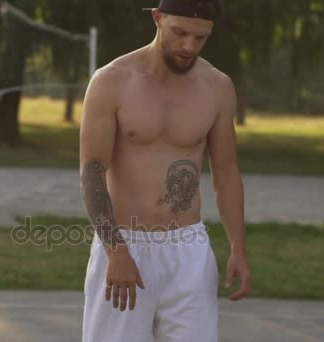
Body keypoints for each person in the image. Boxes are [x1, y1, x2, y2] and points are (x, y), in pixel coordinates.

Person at [79, 0, 250, 341]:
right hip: (125, 242)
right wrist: (116, 251)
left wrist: (238, 248)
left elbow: (226, 171)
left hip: (188, 248)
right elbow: (91, 173)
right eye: (180, 33)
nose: (189, 46)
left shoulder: (216, 86)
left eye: (200, 37)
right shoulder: (112, 80)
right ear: (157, 18)